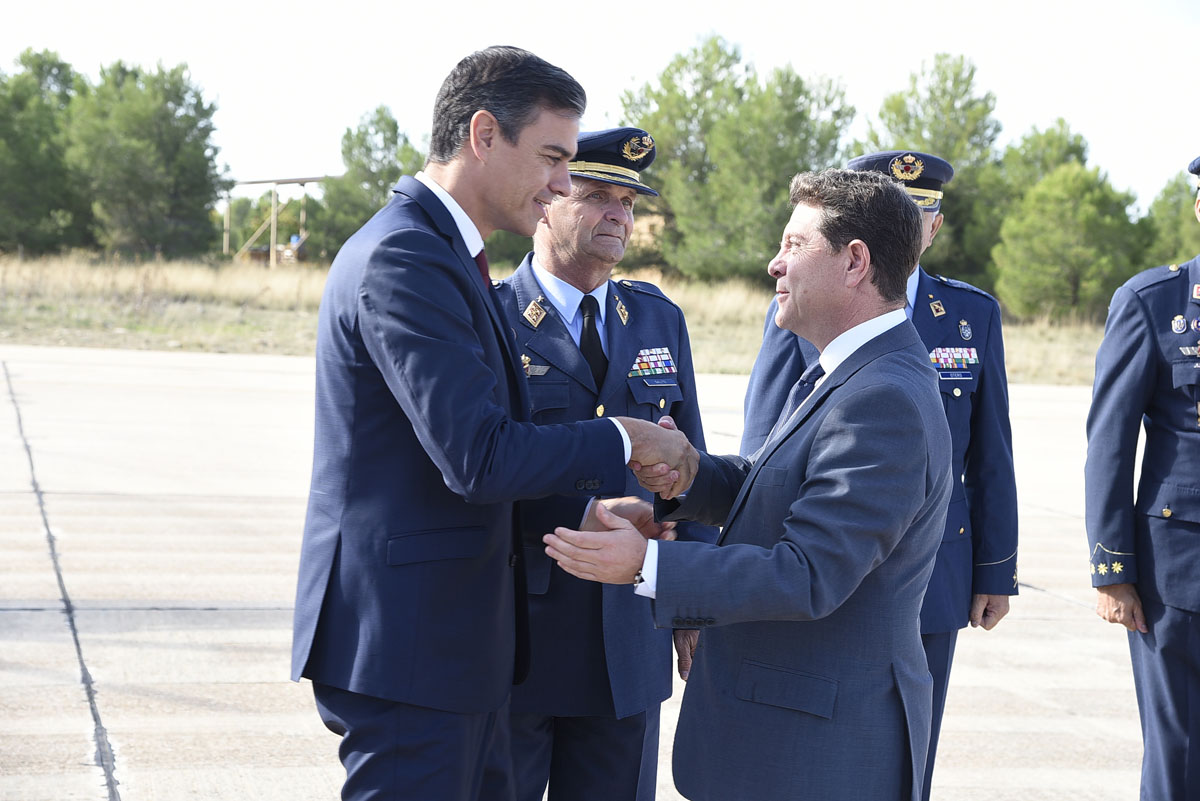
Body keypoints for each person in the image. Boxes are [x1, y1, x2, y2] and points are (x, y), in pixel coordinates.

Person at [290, 47, 695, 801]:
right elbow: (476, 456)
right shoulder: (406, 256)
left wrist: (586, 510)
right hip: (410, 645)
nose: (561, 184)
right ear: (483, 134)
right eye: (551, 157)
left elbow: (464, 455)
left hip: (448, 648)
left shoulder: (448, 257)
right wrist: (623, 438)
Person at [545, 168, 954, 801]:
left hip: (816, 754)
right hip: (790, 739)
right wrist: (689, 472)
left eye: (794, 245)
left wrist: (647, 566)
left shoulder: (882, 398)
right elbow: (785, 490)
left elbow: (809, 574)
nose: (774, 264)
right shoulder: (850, 374)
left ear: (854, 262)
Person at [741, 150, 1019, 798]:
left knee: (911, 754)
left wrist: (995, 570)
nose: (911, 223)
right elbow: (766, 439)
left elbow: (991, 453)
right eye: (897, 207)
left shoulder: (971, 313)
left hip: (940, 572)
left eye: (922, 212)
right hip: (835, 564)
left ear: (935, 227)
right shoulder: (809, 298)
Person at [493, 126, 718, 801]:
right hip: (517, 632)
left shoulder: (655, 319)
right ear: (548, 199)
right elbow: (474, 464)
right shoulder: (493, 316)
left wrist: (693, 599)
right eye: (597, 196)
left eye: (628, 202)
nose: (619, 215)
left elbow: (692, 468)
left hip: (628, 632)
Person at [1084, 155, 1200, 801]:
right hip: (1179, 580)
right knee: (1180, 760)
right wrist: (1112, 570)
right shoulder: (1156, 303)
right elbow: (1109, 444)